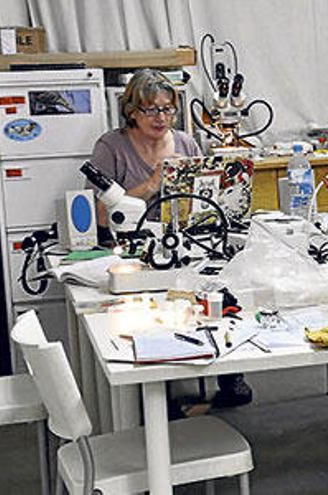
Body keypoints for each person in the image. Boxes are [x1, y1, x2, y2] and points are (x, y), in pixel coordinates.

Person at [86, 68, 252, 410]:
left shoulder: (186, 143)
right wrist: (153, 182)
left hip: (183, 241)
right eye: (151, 109)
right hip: (130, 248)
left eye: (167, 109)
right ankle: (158, 384)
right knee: (147, 306)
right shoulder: (111, 147)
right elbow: (100, 217)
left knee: (218, 285)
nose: (161, 117)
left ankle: (228, 370)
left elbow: (202, 204)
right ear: (131, 110)